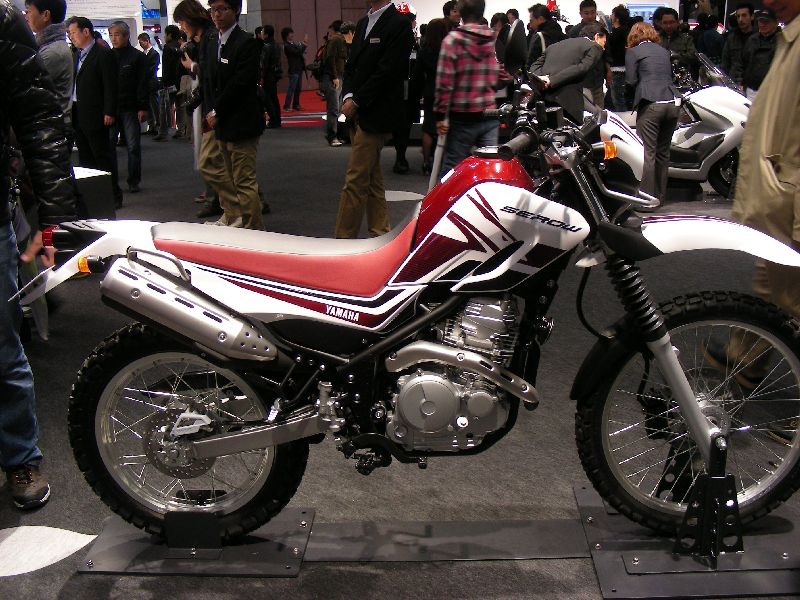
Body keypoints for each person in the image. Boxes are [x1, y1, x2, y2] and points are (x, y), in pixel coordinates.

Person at [713, 0, 800, 445]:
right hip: (780, 201)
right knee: (773, 290)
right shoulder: (788, 37)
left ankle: (746, 362)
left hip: (790, 203)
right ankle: (745, 361)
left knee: (786, 297)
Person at [1, 0, 75, 510]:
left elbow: (40, 125)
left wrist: (54, 224)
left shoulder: (4, 22)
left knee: (3, 350)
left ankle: (19, 457)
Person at [334, 0, 414, 238]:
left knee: (355, 180)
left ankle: (342, 240)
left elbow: (388, 72)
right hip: (357, 113)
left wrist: (356, 101)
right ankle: (380, 231)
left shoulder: (399, 24)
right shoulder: (362, 23)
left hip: (377, 113)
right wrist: (348, 96)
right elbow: (351, 66)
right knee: (371, 178)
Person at [194, 0, 265, 230]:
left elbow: (241, 83)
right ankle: (233, 217)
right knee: (225, 174)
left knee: (244, 181)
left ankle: (255, 231)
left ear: (236, 10)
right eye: (213, 10)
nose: (217, 14)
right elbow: (210, 80)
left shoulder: (247, 42)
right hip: (221, 122)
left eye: (222, 9)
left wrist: (217, 110)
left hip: (242, 121)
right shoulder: (213, 40)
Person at [435, 0, 506, 179]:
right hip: (489, 115)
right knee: (489, 171)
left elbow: (444, 83)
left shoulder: (452, 40)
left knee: (452, 172)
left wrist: (441, 116)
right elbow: (502, 75)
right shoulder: (492, 39)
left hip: (462, 118)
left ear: (460, 12)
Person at [66, 16, 122, 208]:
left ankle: (113, 195)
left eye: (73, 33)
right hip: (78, 113)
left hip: (97, 114)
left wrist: (109, 111)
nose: (71, 37)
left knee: (102, 157)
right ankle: (93, 197)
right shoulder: (76, 54)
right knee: (86, 158)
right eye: (69, 34)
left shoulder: (103, 54)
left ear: (86, 32)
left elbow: (110, 86)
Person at [625, 21, 681, 201]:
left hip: (651, 102)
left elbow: (630, 80)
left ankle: (646, 199)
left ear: (633, 36)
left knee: (647, 152)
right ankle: (660, 196)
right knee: (663, 152)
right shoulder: (664, 51)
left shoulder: (633, 52)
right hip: (672, 102)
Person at [531, 22, 606, 124]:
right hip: (568, 102)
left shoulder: (554, 46)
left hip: (541, 99)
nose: (604, 47)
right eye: (604, 42)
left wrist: (541, 78)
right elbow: (582, 68)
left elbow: (534, 66)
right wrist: (551, 80)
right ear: (597, 37)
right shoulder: (594, 47)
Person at [108, 21, 149, 194]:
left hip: (131, 107)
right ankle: (112, 182)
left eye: (117, 35)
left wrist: (143, 107)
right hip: (112, 108)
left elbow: (143, 83)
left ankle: (134, 180)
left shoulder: (137, 57)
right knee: (109, 146)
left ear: (126, 36)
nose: (113, 38)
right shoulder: (107, 56)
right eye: (111, 35)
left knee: (133, 146)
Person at [411, 17, 452, 174]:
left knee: (428, 128)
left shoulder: (424, 52)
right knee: (446, 127)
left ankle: (426, 162)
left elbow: (417, 76)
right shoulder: (449, 51)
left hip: (430, 92)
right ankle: (444, 162)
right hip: (447, 92)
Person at [23, 0, 73, 125]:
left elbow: (24, 86)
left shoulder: (52, 52)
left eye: (28, 11)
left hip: (50, 126)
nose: (25, 15)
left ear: (45, 15)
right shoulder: (49, 46)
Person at [568, 0, 607, 108]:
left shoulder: (602, 29)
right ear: (580, 14)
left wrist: (608, 71)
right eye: (586, 13)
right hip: (581, 78)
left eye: (592, 12)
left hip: (598, 76)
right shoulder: (574, 31)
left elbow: (606, 52)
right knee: (584, 109)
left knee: (599, 107)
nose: (590, 16)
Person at [741, 8, 781, 100]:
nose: (762, 24)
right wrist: (741, 82)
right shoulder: (752, 39)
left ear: (775, 22)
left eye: (766, 21)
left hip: (772, 93)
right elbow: (743, 62)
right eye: (760, 21)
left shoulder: (781, 41)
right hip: (750, 90)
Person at [321, 20, 347, 146]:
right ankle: (332, 136)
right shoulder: (336, 40)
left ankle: (337, 135)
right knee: (334, 108)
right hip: (334, 78)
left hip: (337, 77)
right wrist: (334, 76)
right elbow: (330, 59)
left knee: (337, 108)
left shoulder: (338, 40)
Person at [157, 25, 183, 140]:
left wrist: (164, 82)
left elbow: (167, 68)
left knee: (164, 107)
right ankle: (181, 129)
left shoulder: (167, 48)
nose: (164, 36)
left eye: (165, 34)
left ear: (170, 35)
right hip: (179, 82)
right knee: (180, 106)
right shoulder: (181, 46)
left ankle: (163, 132)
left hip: (169, 83)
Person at [721, 2, 756, 85]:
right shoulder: (731, 38)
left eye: (744, 15)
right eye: (738, 16)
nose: (740, 19)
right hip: (733, 83)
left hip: (752, 85)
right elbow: (725, 63)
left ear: (752, 16)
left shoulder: (758, 38)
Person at [608, 5, 631, 111]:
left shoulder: (617, 33)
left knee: (618, 100)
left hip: (618, 69)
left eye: (612, 14)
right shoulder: (627, 31)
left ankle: (623, 119)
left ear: (616, 17)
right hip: (626, 68)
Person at [138, 32, 161, 136]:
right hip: (145, 83)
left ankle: (157, 126)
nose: (140, 44)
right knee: (148, 106)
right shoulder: (143, 54)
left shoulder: (154, 53)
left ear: (147, 41)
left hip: (151, 82)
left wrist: (143, 74)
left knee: (154, 105)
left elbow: (152, 69)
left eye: (141, 42)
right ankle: (151, 126)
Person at [282, 27, 308, 112]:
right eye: (290, 33)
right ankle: (286, 106)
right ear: (286, 35)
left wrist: (302, 45)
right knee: (291, 88)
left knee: (298, 88)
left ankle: (296, 105)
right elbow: (297, 52)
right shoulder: (286, 45)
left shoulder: (293, 43)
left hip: (298, 68)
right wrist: (304, 44)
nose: (292, 34)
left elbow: (299, 50)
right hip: (293, 69)